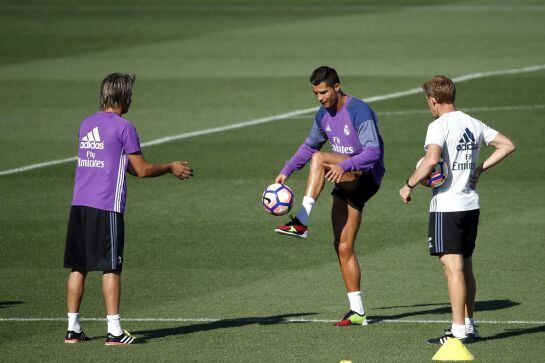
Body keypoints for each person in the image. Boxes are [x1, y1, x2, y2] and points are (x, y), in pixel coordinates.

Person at [63, 73, 193, 345]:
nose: (132, 99)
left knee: (78, 267)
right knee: (111, 268)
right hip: (106, 206)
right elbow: (142, 170)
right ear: (122, 96)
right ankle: (114, 331)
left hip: (79, 205)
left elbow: (115, 164)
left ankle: (72, 329)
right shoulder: (124, 127)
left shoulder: (85, 124)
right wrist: (170, 167)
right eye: (130, 95)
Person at [399, 75, 516, 344]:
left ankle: (458, 331)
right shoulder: (472, 123)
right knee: (465, 266)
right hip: (470, 205)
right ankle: (470, 326)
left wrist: (409, 185)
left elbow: (431, 161)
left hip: (447, 207)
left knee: (452, 268)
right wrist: (480, 168)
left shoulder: (438, 126)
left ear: (433, 100)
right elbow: (508, 145)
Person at [274, 66, 385, 326]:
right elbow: (308, 145)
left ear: (337, 87)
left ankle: (300, 220)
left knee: (320, 158)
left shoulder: (359, 110)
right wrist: (286, 170)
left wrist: (344, 166)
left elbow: (373, 152)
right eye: (315, 93)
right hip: (344, 179)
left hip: (365, 175)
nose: (320, 98)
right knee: (343, 246)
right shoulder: (322, 115)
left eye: (323, 92)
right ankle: (358, 312)